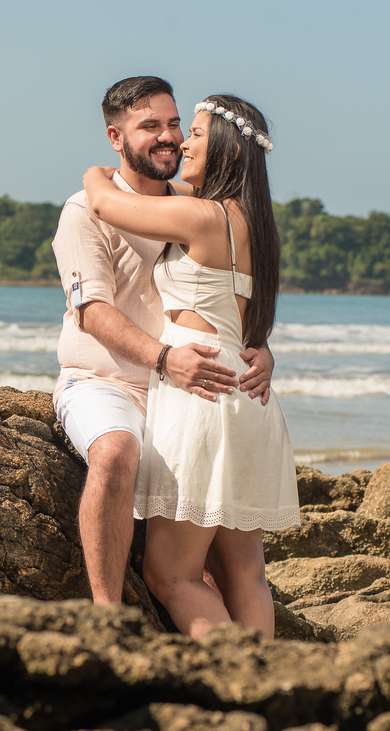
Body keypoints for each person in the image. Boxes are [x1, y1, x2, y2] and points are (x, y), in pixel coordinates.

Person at [82, 94, 300, 640]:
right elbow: (248, 321)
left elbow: (106, 204)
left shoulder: (201, 216)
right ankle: (269, 691)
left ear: (225, 148)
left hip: (202, 396)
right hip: (247, 397)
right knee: (245, 572)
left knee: (171, 573)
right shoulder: (255, 223)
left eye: (196, 134)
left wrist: (95, 171)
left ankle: (236, 679)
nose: (183, 142)